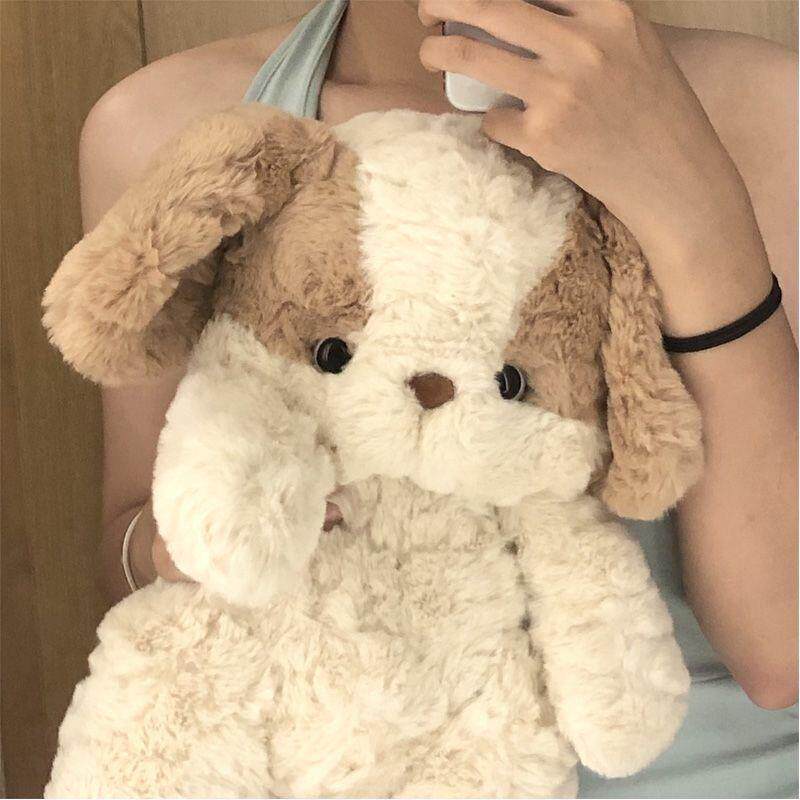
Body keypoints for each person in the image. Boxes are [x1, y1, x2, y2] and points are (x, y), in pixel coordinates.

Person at [78, 0, 798, 795]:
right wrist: (194, 538)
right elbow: (126, 551)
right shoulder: (165, 123)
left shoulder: (763, 107)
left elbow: (782, 658)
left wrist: (690, 198)